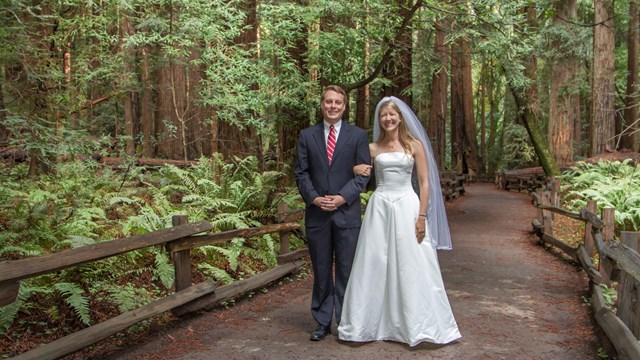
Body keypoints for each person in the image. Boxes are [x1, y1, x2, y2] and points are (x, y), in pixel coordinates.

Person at [337, 96, 461, 346]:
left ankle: (418, 325)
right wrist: (353, 170)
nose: (388, 118)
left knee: (412, 262)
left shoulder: (414, 145)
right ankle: (369, 324)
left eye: (392, 114)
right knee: (374, 261)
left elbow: (425, 182)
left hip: (407, 205)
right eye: (383, 115)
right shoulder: (372, 148)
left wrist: (422, 215)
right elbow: (353, 169)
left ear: (401, 118)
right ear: (379, 120)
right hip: (380, 206)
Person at [295, 85, 371, 341]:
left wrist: (342, 198)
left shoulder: (358, 136)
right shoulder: (307, 135)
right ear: (322, 105)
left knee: (347, 270)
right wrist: (314, 198)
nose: (333, 106)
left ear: (344, 106)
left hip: (346, 214)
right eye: (329, 102)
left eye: (338, 102)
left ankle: (347, 322)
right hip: (317, 215)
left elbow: (363, 175)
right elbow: (301, 173)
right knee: (322, 269)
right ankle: (322, 320)